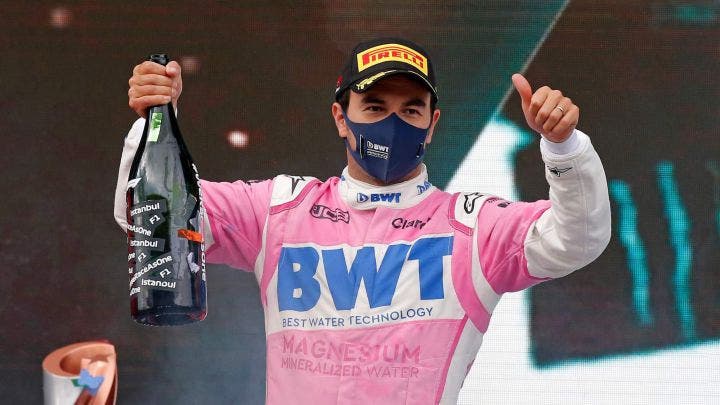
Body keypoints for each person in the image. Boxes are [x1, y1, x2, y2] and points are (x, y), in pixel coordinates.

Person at [115, 38, 611, 404]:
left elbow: (579, 239)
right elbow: (150, 218)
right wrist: (155, 121)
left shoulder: (473, 226)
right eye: (374, 106)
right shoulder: (280, 210)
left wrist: (564, 147)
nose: (392, 123)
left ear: (432, 124)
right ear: (340, 116)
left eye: (411, 109)